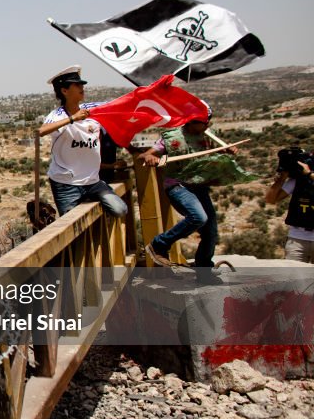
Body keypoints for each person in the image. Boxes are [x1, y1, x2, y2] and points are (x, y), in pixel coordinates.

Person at [138, 105, 227, 284]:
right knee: (198, 217)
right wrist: (149, 157)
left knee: (210, 231)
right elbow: (146, 155)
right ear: (191, 121)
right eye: (204, 122)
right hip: (178, 186)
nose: (207, 125)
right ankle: (159, 244)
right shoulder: (172, 137)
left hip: (199, 186)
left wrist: (225, 152)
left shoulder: (207, 136)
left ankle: (204, 270)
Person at [38, 66, 128, 219]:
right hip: (66, 184)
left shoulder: (92, 109)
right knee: (72, 227)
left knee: (120, 209)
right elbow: (40, 131)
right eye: (77, 85)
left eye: (82, 84)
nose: (82, 88)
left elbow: (120, 104)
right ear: (64, 91)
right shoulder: (57, 115)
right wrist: (73, 119)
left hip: (92, 181)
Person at [265, 147, 314, 263]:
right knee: (293, 277)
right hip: (297, 238)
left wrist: (309, 174)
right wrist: (282, 177)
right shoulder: (298, 180)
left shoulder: (307, 175)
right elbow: (271, 199)